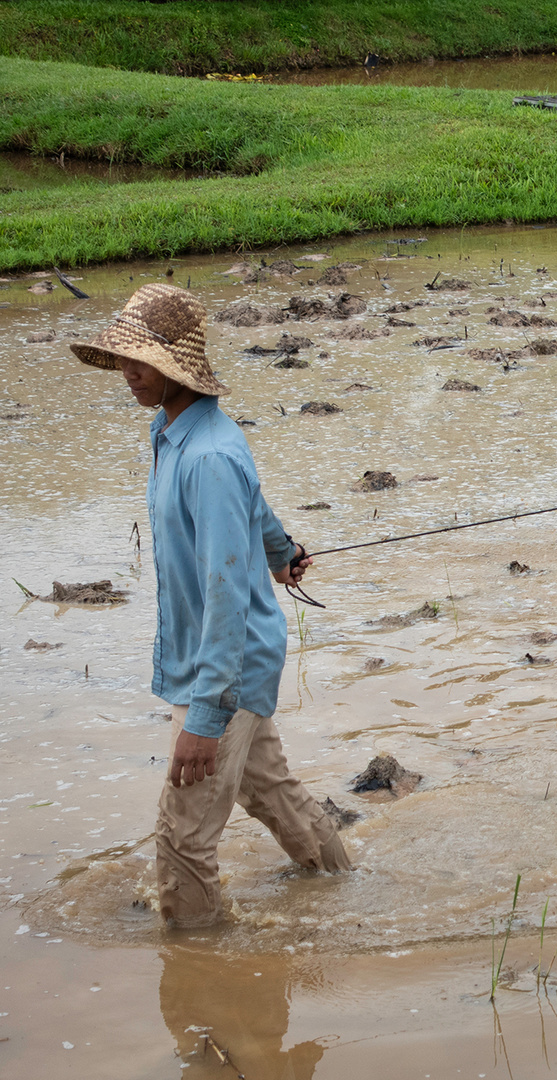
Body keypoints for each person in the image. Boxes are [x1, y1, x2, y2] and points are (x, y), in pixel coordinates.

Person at [70, 283, 352, 929]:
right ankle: (344, 890)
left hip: (220, 669)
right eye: (125, 358)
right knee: (274, 794)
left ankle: (198, 975)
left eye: (143, 361)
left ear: (178, 366)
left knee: (182, 834)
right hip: (220, 659)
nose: (130, 373)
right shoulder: (174, 433)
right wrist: (280, 551)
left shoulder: (210, 455)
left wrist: (204, 715)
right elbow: (251, 509)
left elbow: (225, 595)